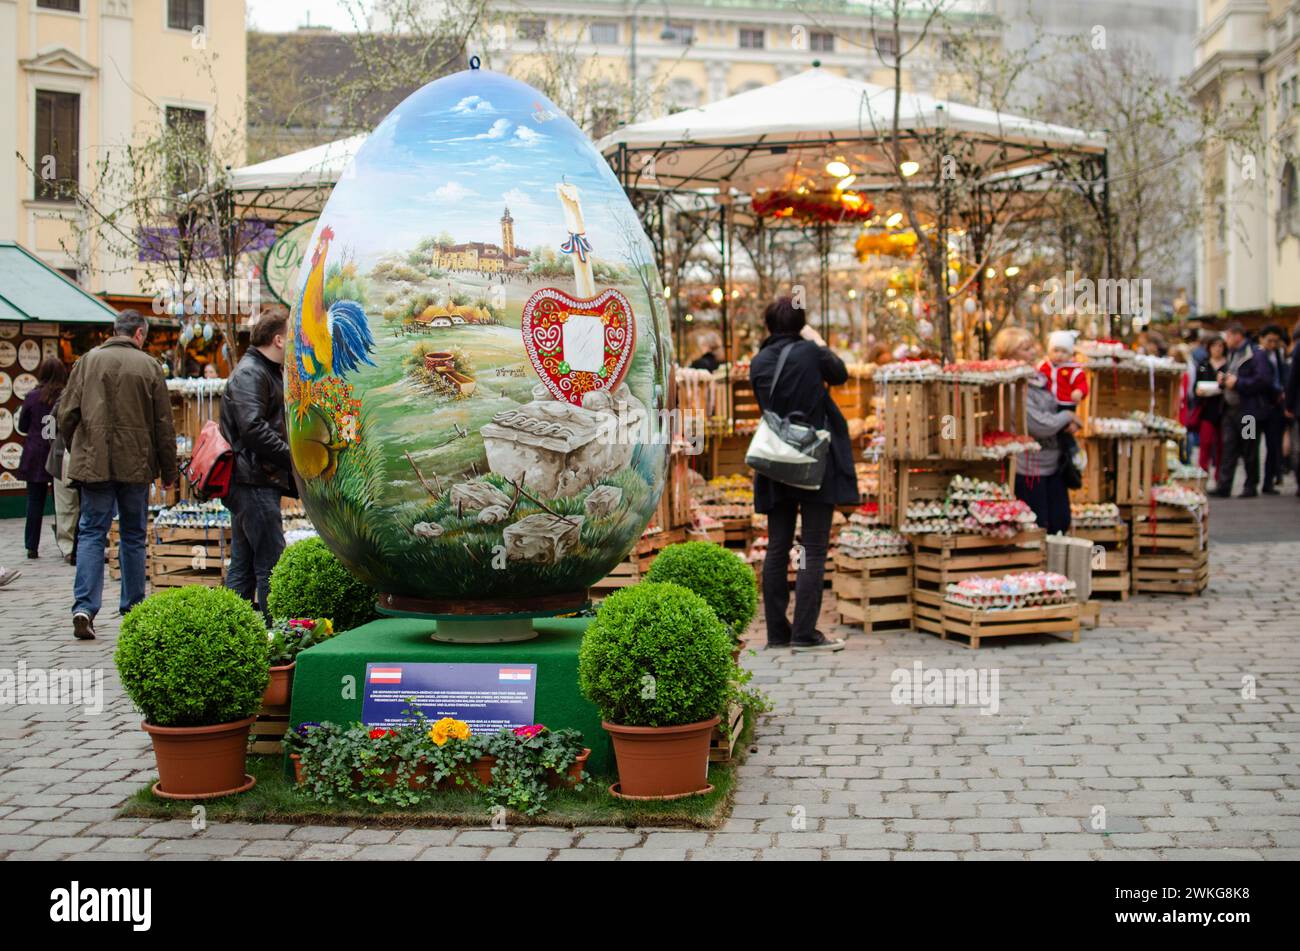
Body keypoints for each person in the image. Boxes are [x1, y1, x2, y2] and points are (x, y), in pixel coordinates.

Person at [58, 310, 178, 640]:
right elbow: (163, 425)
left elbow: (66, 413)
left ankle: (84, 606)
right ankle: (133, 607)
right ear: (139, 333)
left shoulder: (87, 361)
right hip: (135, 464)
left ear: (114, 331)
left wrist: (78, 447)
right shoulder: (150, 366)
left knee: (92, 532)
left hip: (94, 463)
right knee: (133, 534)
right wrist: (169, 471)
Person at [750, 297, 858, 652]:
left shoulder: (759, 361)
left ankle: (777, 634)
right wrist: (817, 340)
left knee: (778, 547)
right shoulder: (811, 352)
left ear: (768, 325)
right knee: (812, 547)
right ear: (801, 323)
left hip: (775, 461)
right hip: (813, 459)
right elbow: (840, 374)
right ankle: (805, 633)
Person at [220, 313, 295, 617]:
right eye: (290, 336)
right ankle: (272, 635)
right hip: (253, 480)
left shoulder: (262, 370)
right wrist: (294, 459)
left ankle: (231, 632)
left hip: (254, 479)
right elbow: (253, 429)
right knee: (269, 564)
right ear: (278, 339)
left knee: (245, 562)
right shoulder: (252, 373)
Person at [994, 327, 1079, 535]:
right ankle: (1039, 567)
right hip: (1030, 468)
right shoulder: (1014, 387)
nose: (1033, 352)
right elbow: (1039, 424)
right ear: (1010, 354)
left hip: (1053, 463)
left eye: (1032, 346)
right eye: (1026, 348)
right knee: (1038, 527)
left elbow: (1052, 412)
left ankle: (1053, 566)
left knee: (1060, 521)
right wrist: (1067, 417)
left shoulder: (1039, 379)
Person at [1212, 322, 1271, 498]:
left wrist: (1238, 383)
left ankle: (1250, 485)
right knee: (1228, 447)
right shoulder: (1233, 353)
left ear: (1237, 335)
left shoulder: (1255, 353)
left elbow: (1263, 380)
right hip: (1231, 409)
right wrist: (1225, 380)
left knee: (1249, 447)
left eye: (1228, 336)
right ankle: (1224, 485)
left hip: (1248, 410)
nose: (1226, 340)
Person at [15, 357, 66, 559]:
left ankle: (31, 546)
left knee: (34, 501)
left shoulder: (32, 396)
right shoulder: (64, 396)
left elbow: (22, 426)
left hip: (35, 452)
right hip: (58, 452)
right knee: (62, 502)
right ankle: (66, 543)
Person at [1038, 329, 1086, 473]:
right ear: (1049, 351)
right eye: (1056, 351)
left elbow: (1082, 384)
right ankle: (1056, 455)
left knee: (1065, 431)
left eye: (1064, 352)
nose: (1059, 355)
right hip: (1048, 404)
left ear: (1071, 354)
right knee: (1052, 429)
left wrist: (1079, 392)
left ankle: (1073, 451)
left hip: (1066, 405)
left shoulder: (1073, 370)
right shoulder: (1044, 366)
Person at [1257, 324, 1290, 494]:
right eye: (1269, 341)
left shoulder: (1279, 355)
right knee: (1249, 445)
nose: (1272, 344)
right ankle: (1250, 483)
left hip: (1274, 409)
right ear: (1261, 339)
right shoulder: (1254, 355)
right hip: (1252, 411)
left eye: (1275, 341)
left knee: (1273, 445)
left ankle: (1268, 481)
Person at [1193, 335, 1228, 483]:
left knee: (1221, 445)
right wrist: (1198, 391)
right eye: (1214, 346)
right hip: (1207, 409)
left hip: (1224, 409)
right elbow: (1196, 386)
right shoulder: (1204, 365)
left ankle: (1219, 477)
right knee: (1205, 443)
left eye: (1220, 346)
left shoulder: (1228, 365)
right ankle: (1202, 476)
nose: (1217, 349)